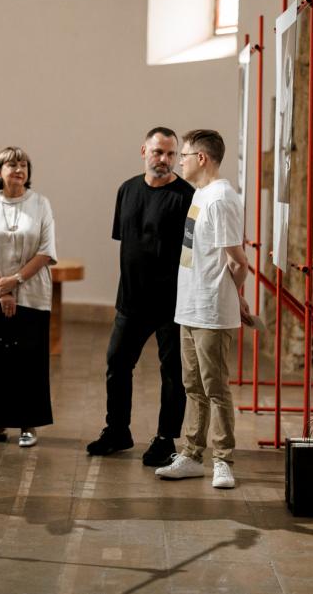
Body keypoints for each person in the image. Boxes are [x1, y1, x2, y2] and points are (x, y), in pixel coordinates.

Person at [86, 128, 194, 467]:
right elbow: (128, 242)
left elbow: (193, 252)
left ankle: (165, 438)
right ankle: (117, 430)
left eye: (171, 154)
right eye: (158, 152)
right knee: (117, 363)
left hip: (172, 302)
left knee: (172, 372)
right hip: (131, 300)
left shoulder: (186, 195)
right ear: (144, 150)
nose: (164, 160)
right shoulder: (127, 190)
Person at [154, 129, 250, 489]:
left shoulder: (221, 199)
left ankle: (223, 460)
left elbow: (238, 262)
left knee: (215, 388)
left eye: (185, 155)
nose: (180, 160)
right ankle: (193, 454)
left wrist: (232, 296)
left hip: (211, 310)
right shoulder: (201, 195)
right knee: (192, 385)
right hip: (191, 307)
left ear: (202, 158)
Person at [0, 147, 57, 448]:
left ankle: (28, 424)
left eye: (23, 165)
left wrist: (15, 281)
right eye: (11, 164)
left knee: (30, 361)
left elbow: (46, 251)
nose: (19, 169)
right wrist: (2, 289)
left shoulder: (41, 203)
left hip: (33, 295)